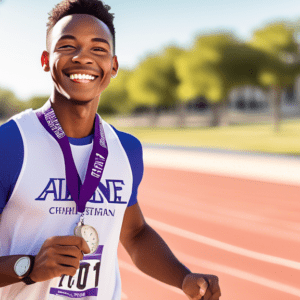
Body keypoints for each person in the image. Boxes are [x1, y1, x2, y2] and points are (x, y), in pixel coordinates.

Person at [0, 0, 221, 299]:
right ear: (44, 59)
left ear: (113, 66)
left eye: (98, 49)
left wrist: (183, 278)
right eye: (67, 46)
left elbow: (135, 233)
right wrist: (27, 266)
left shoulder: (125, 149)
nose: (83, 57)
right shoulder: (11, 143)